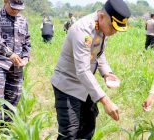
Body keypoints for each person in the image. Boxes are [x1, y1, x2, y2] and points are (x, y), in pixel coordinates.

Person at [51, 0, 131, 139]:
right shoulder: (83, 30)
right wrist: (106, 101)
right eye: (113, 27)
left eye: (117, 29)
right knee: (69, 132)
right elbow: (82, 70)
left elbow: (97, 53)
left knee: (88, 126)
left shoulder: (103, 28)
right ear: (101, 17)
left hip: (86, 85)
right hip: (68, 85)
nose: (114, 32)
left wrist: (107, 73)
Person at [0, 0, 31, 122]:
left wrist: (26, 58)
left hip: (17, 67)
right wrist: (9, 53)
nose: (16, 11)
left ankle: (6, 133)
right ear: (5, 1)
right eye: (13, 7)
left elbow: (27, 42)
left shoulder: (23, 20)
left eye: (19, 8)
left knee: (13, 101)